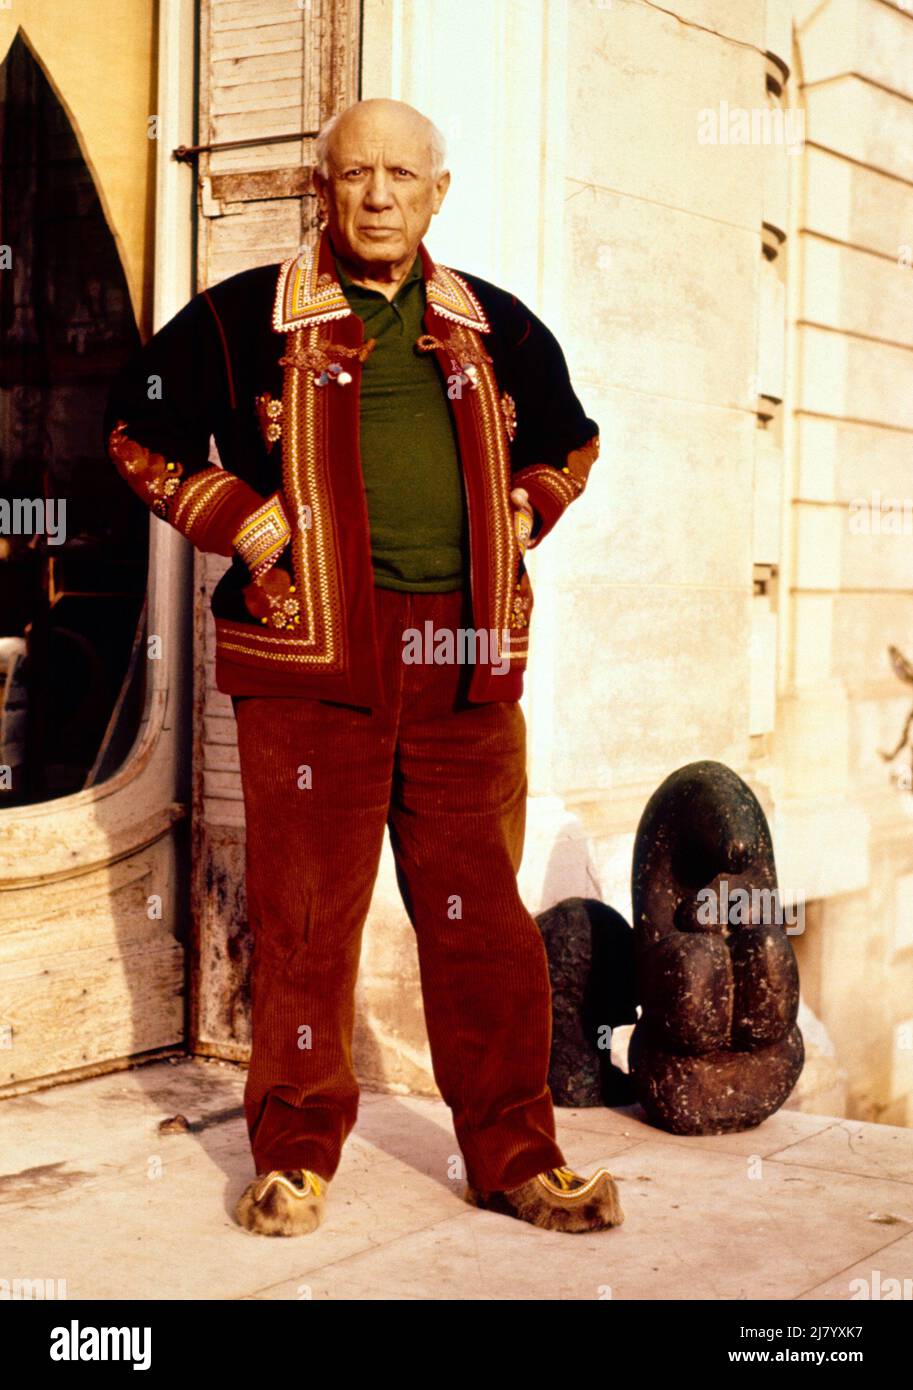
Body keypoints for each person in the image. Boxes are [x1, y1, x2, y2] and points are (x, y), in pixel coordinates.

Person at [104, 97, 622, 1237]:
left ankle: (516, 1153)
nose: (377, 195)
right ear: (321, 191)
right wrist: (242, 520)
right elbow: (134, 429)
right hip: (310, 662)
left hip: (463, 664)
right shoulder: (247, 318)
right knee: (302, 917)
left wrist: (523, 512)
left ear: (437, 193)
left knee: (481, 915)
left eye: (400, 175)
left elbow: (572, 439)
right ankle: (292, 1154)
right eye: (354, 176)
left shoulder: (491, 327)